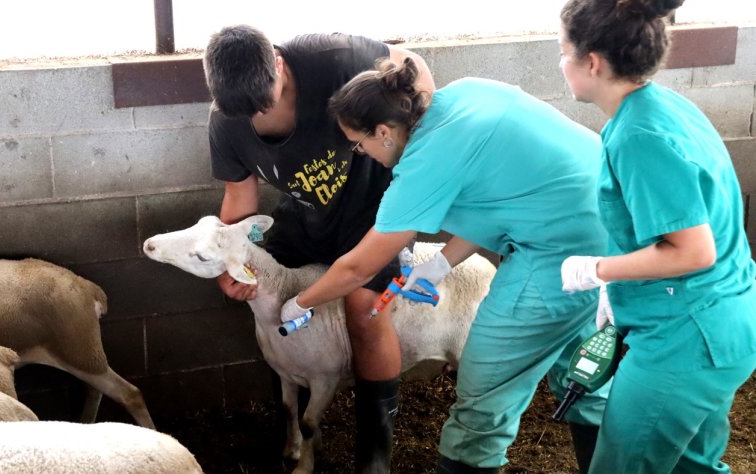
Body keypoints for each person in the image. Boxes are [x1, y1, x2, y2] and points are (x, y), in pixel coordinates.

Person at [280, 57, 611, 473]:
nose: (359, 152)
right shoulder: (466, 93)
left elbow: (357, 269)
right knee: (583, 373)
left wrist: (299, 304)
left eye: (357, 143)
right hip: (607, 225)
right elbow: (506, 197)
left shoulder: (421, 164)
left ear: (383, 132)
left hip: (557, 254)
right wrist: (439, 263)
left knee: (483, 392)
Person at [202, 25, 435, 473]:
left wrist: (420, 152)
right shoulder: (226, 122)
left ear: (277, 60)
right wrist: (230, 259)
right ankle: (293, 435)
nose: (257, 113)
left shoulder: (334, 58)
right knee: (268, 291)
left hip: (376, 207)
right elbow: (239, 197)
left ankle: (374, 456)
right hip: (308, 213)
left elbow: (413, 63)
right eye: (244, 110)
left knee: (364, 309)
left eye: (264, 100)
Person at [557, 1, 756, 473]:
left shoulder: (638, 135)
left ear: (593, 63)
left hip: (686, 338)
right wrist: (619, 289)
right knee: (690, 466)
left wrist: (597, 270)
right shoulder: (659, 106)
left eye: (562, 52)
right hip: (718, 319)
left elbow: (692, 249)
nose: (560, 63)